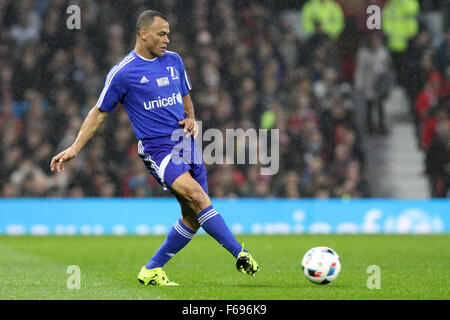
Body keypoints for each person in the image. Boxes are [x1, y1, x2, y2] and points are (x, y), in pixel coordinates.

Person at [50, 10, 259, 286]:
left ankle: (151, 270)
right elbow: (99, 112)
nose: (167, 40)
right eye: (162, 34)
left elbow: (184, 95)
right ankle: (240, 253)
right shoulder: (123, 73)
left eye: (169, 34)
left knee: (193, 217)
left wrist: (191, 116)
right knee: (198, 196)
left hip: (187, 144)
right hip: (158, 149)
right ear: (143, 33)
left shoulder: (174, 61)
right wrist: (75, 147)